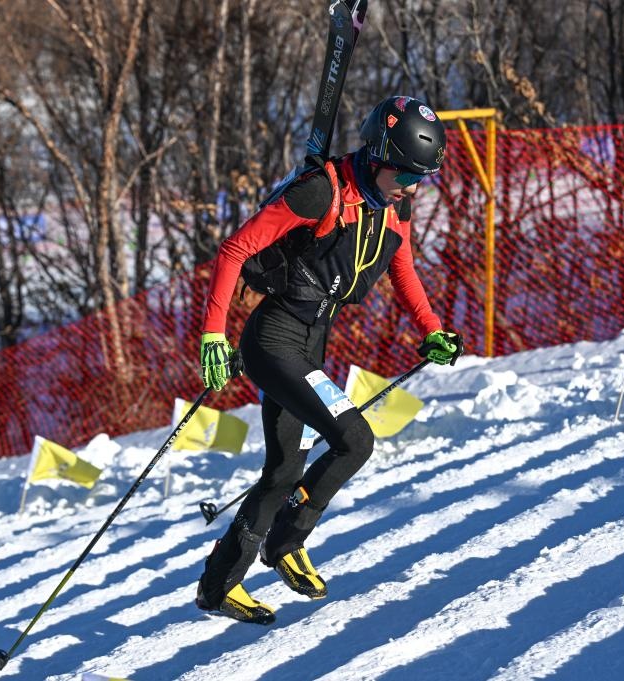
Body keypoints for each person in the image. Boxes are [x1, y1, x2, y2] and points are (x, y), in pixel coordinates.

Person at [194, 95, 463, 625]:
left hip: (313, 339)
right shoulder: (321, 191)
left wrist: (432, 330)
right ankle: (285, 544)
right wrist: (212, 336)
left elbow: (402, 270)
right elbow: (233, 250)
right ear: (380, 156)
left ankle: (218, 586)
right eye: (406, 173)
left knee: (284, 468)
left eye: (421, 177)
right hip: (275, 339)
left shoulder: (394, 205)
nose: (412, 186)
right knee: (355, 438)